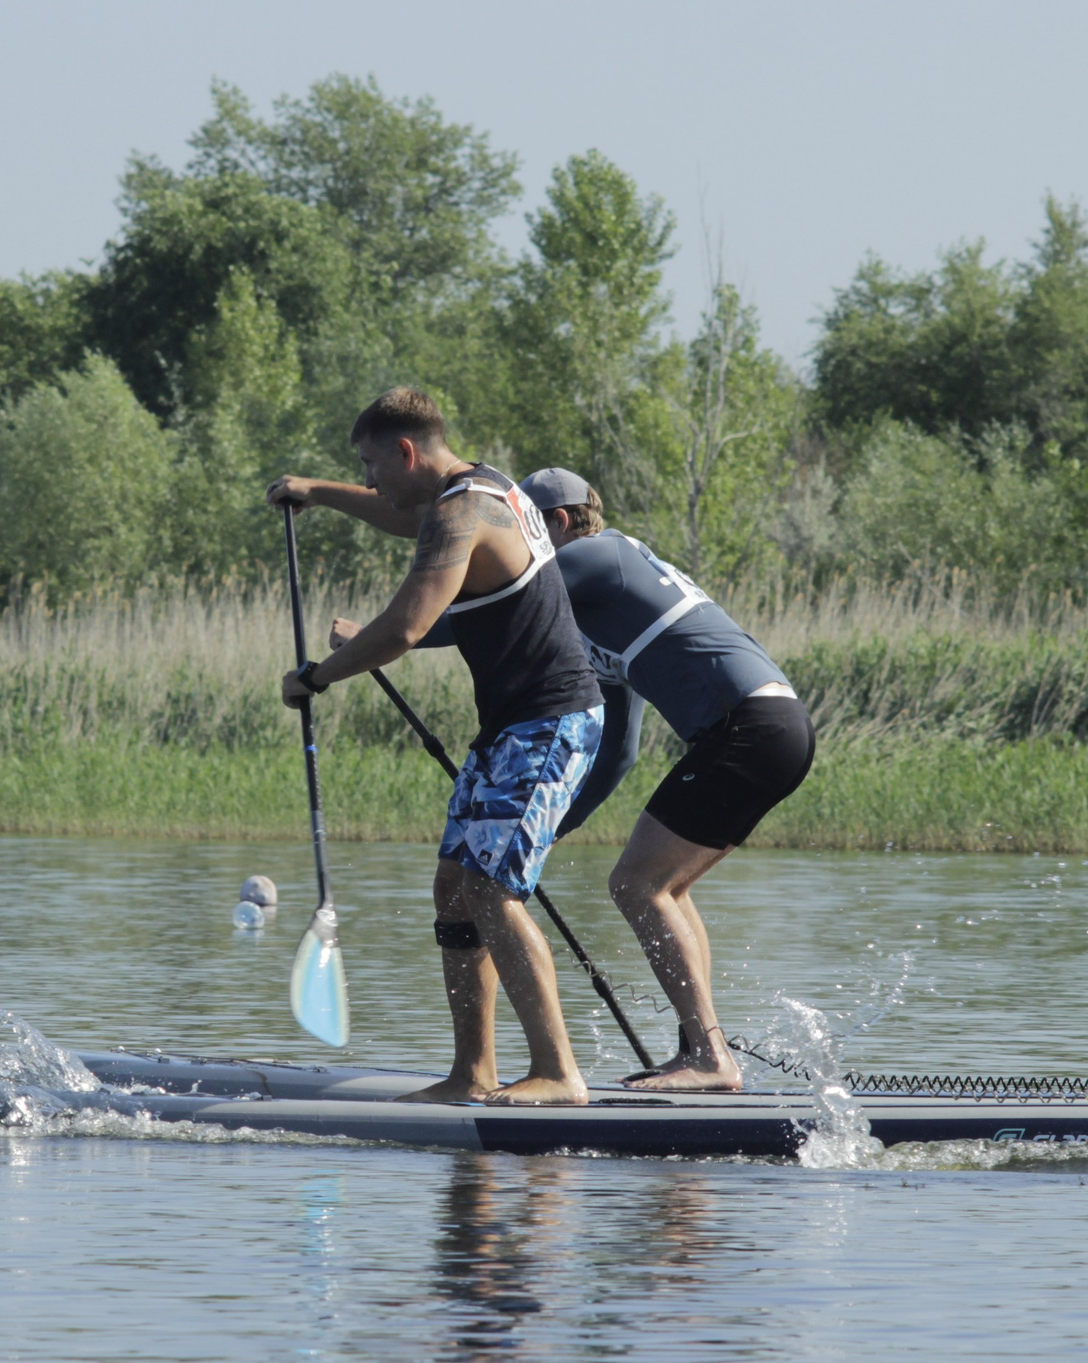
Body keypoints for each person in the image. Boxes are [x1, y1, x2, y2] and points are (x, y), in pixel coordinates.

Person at [334, 468, 813, 1090]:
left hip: (754, 726)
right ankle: (706, 1052)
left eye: (532, 531)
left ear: (558, 523)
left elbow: (493, 607)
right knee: (660, 887)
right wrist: (549, 828)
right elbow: (616, 750)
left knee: (639, 886)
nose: (522, 549)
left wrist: (374, 638)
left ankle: (708, 1059)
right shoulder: (599, 620)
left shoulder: (598, 557)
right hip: (765, 731)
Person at [267, 388, 605, 1106]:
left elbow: (403, 629)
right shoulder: (483, 486)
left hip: (549, 723)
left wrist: (314, 679)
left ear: (407, 451)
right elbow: (397, 514)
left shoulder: (461, 509)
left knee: (491, 888)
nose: (371, 481)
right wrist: (313, 493)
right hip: (509, 727)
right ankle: (472, 1073)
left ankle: (558, 1072)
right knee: (454, 890)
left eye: (369, 465)